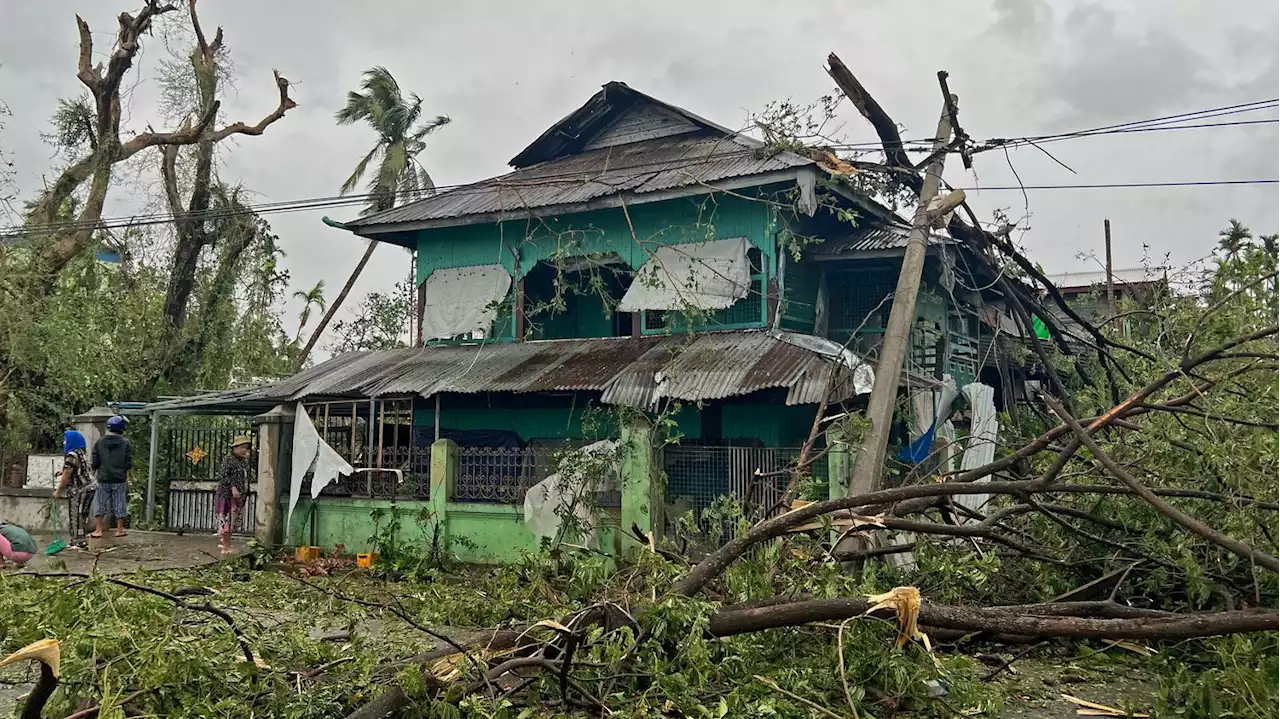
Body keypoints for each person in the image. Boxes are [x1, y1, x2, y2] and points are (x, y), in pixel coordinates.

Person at [91, 415, 132, 538]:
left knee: (100, 503)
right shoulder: (125, 443)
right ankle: (120, 530)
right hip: (119, 478)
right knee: (120, 503)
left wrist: (95, 470)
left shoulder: (100, 442)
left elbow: (95, 461)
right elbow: (128, 462)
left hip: (103, 477)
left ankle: (98, 530)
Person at [53, 424, 95, 543]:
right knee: (83, 515)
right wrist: (62, 471)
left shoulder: (71, 455)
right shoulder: (80, 452)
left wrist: (58, 491)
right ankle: (81, 539)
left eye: (65, 440)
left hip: (80, 489)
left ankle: (77, 541)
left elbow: (67, 476)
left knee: (76, 514)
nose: (64, 443)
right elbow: (77, 468)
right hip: (90, 487)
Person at [213, 435, 252, 555]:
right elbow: (223, 475)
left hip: (237, 498)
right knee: (226, 521)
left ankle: (226, 543)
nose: (244, 450)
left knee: (232, 521)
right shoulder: (229, 459)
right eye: (242, 447)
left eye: (246, 448)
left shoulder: (243, 461)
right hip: (227, 496)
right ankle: (226, 547)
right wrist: (233, 487)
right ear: (235, 448)